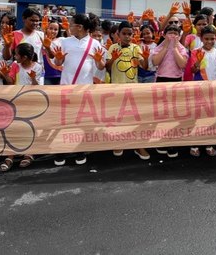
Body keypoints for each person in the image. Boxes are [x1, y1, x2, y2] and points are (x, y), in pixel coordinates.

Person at [51, 13, 106, 166]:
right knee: (64, 120)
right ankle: (61, 150)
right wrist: (59, 58)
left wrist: (98, 61)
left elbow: (101, 66)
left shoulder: (95, 43)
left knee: (81, 120)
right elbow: (58, 61)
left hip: (85, 88)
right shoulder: (65, 42)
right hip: (66, 86)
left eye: (71, 23)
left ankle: (79, 149)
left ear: (79, 27)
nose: (69, 26)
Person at [106, 21, 150, 159]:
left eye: (129, 34)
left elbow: (145, 67)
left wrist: (146, 58)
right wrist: (113, 59)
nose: (127, 36)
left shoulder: (136, 48)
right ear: (118, 34)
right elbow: (107, 68)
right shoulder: (112, 47)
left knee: (135, 118)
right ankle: (118, 143)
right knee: (118, 118)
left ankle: (138, 146)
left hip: (132, 88)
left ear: (133, 34)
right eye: (124, 34)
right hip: (116, 88)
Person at [0, 42, 43, 171]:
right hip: (16, 101)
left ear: (24, 57)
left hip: (32, 102)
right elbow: (10, 82)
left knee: (30, 127)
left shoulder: (38, 67)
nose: (14, 56)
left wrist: (33, 79)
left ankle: (29, 153)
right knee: (15, 128)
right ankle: (10, 155)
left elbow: (38, 87)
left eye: (16, 54)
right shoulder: (14, 65)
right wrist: (6, 74)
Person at [188, 25, 216, 158]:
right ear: (201, 38)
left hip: (214, 90)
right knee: (197, 117)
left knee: (210, 117)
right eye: (206, 39)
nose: (209, 41)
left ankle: (208, 143)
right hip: (199, 89)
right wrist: (198, 62)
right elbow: (193, 71)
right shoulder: (195, 51)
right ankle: (194, 144)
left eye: (212, 38)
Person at [149, 24, 189, 158]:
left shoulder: (182, 48)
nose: (172, 35)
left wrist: (175, 47)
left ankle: (171, 142)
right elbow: (155, 62)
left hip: (176, 82)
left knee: (173, 114)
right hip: (161, 81)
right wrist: (166, 46)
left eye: (175, 33)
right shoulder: (158, 47)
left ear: (179, 35)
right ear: (164, 34)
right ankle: (160, 142)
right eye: (170, 33)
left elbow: (182, 64)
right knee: (161, 113)